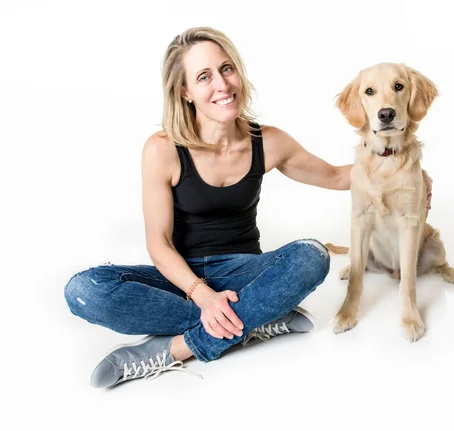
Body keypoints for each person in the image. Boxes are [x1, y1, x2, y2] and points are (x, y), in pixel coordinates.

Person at [63, 27, 353, 389]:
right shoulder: (162, 149)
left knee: (313, 255)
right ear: (185, 92)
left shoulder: (270, 142)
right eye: (204, 77)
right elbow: (159, 243)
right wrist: (204, 297)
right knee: (84, 289)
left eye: (226, 68)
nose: (222, 84)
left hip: (243, 273)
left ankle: (177, 348)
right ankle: (257, 317)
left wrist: (409, 173)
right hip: (181, 281)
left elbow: (338, 176)